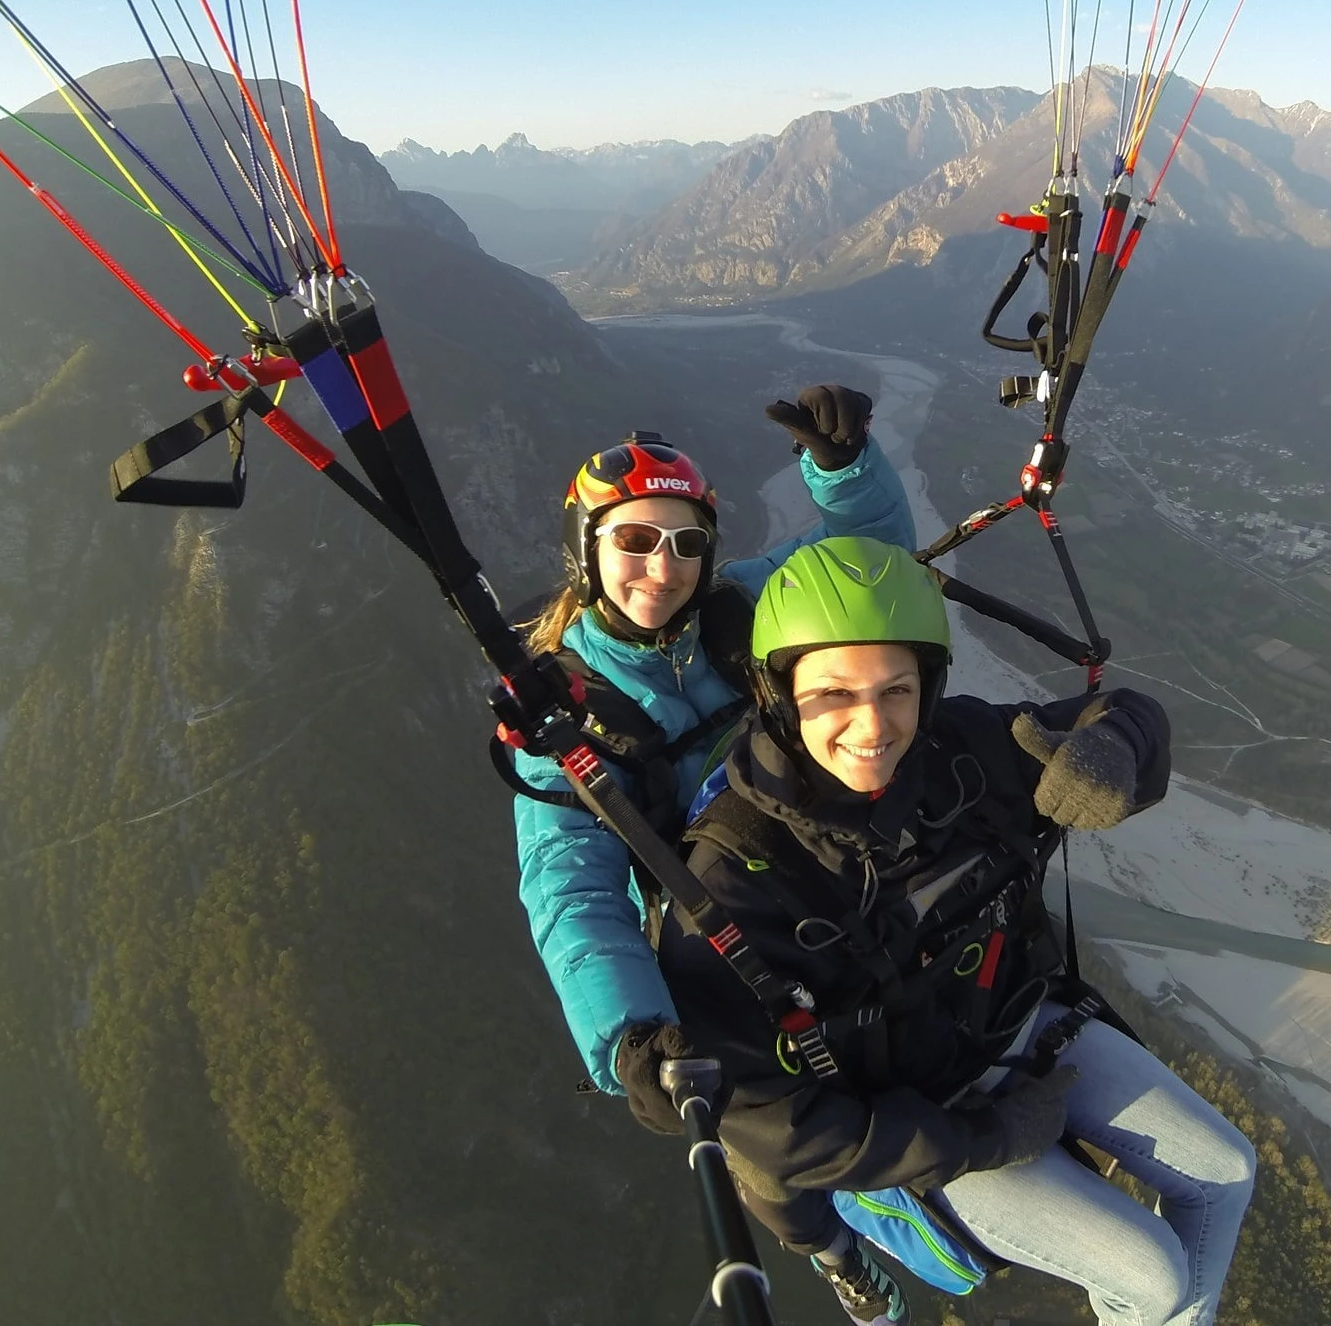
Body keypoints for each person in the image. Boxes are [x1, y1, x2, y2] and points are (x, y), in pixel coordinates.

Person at [659, 537, 1258, 1326]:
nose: (872, 726)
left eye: (896, 690)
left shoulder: (959, 756)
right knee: (1151, 1276)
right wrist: (985, 1137)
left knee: (1228, 1171)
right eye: (833, 693)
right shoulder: (731, 881)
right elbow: (776, 1133)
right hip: (907, 1124)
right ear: (779, 694)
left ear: (928, 688)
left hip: (1010, 1024)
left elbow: (1122, 714)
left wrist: (1116, 747)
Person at [508, 386, 915, 1125]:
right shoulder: (567, 716)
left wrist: (843, 468)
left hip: (836, 881)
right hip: (731, 953)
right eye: (634, 542)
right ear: (585, 549)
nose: (663, 572)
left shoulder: (742, 605)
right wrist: (631, 1035)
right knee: (824, 1163)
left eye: (685, 543)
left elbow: (869, 559)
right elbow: (571, 888)